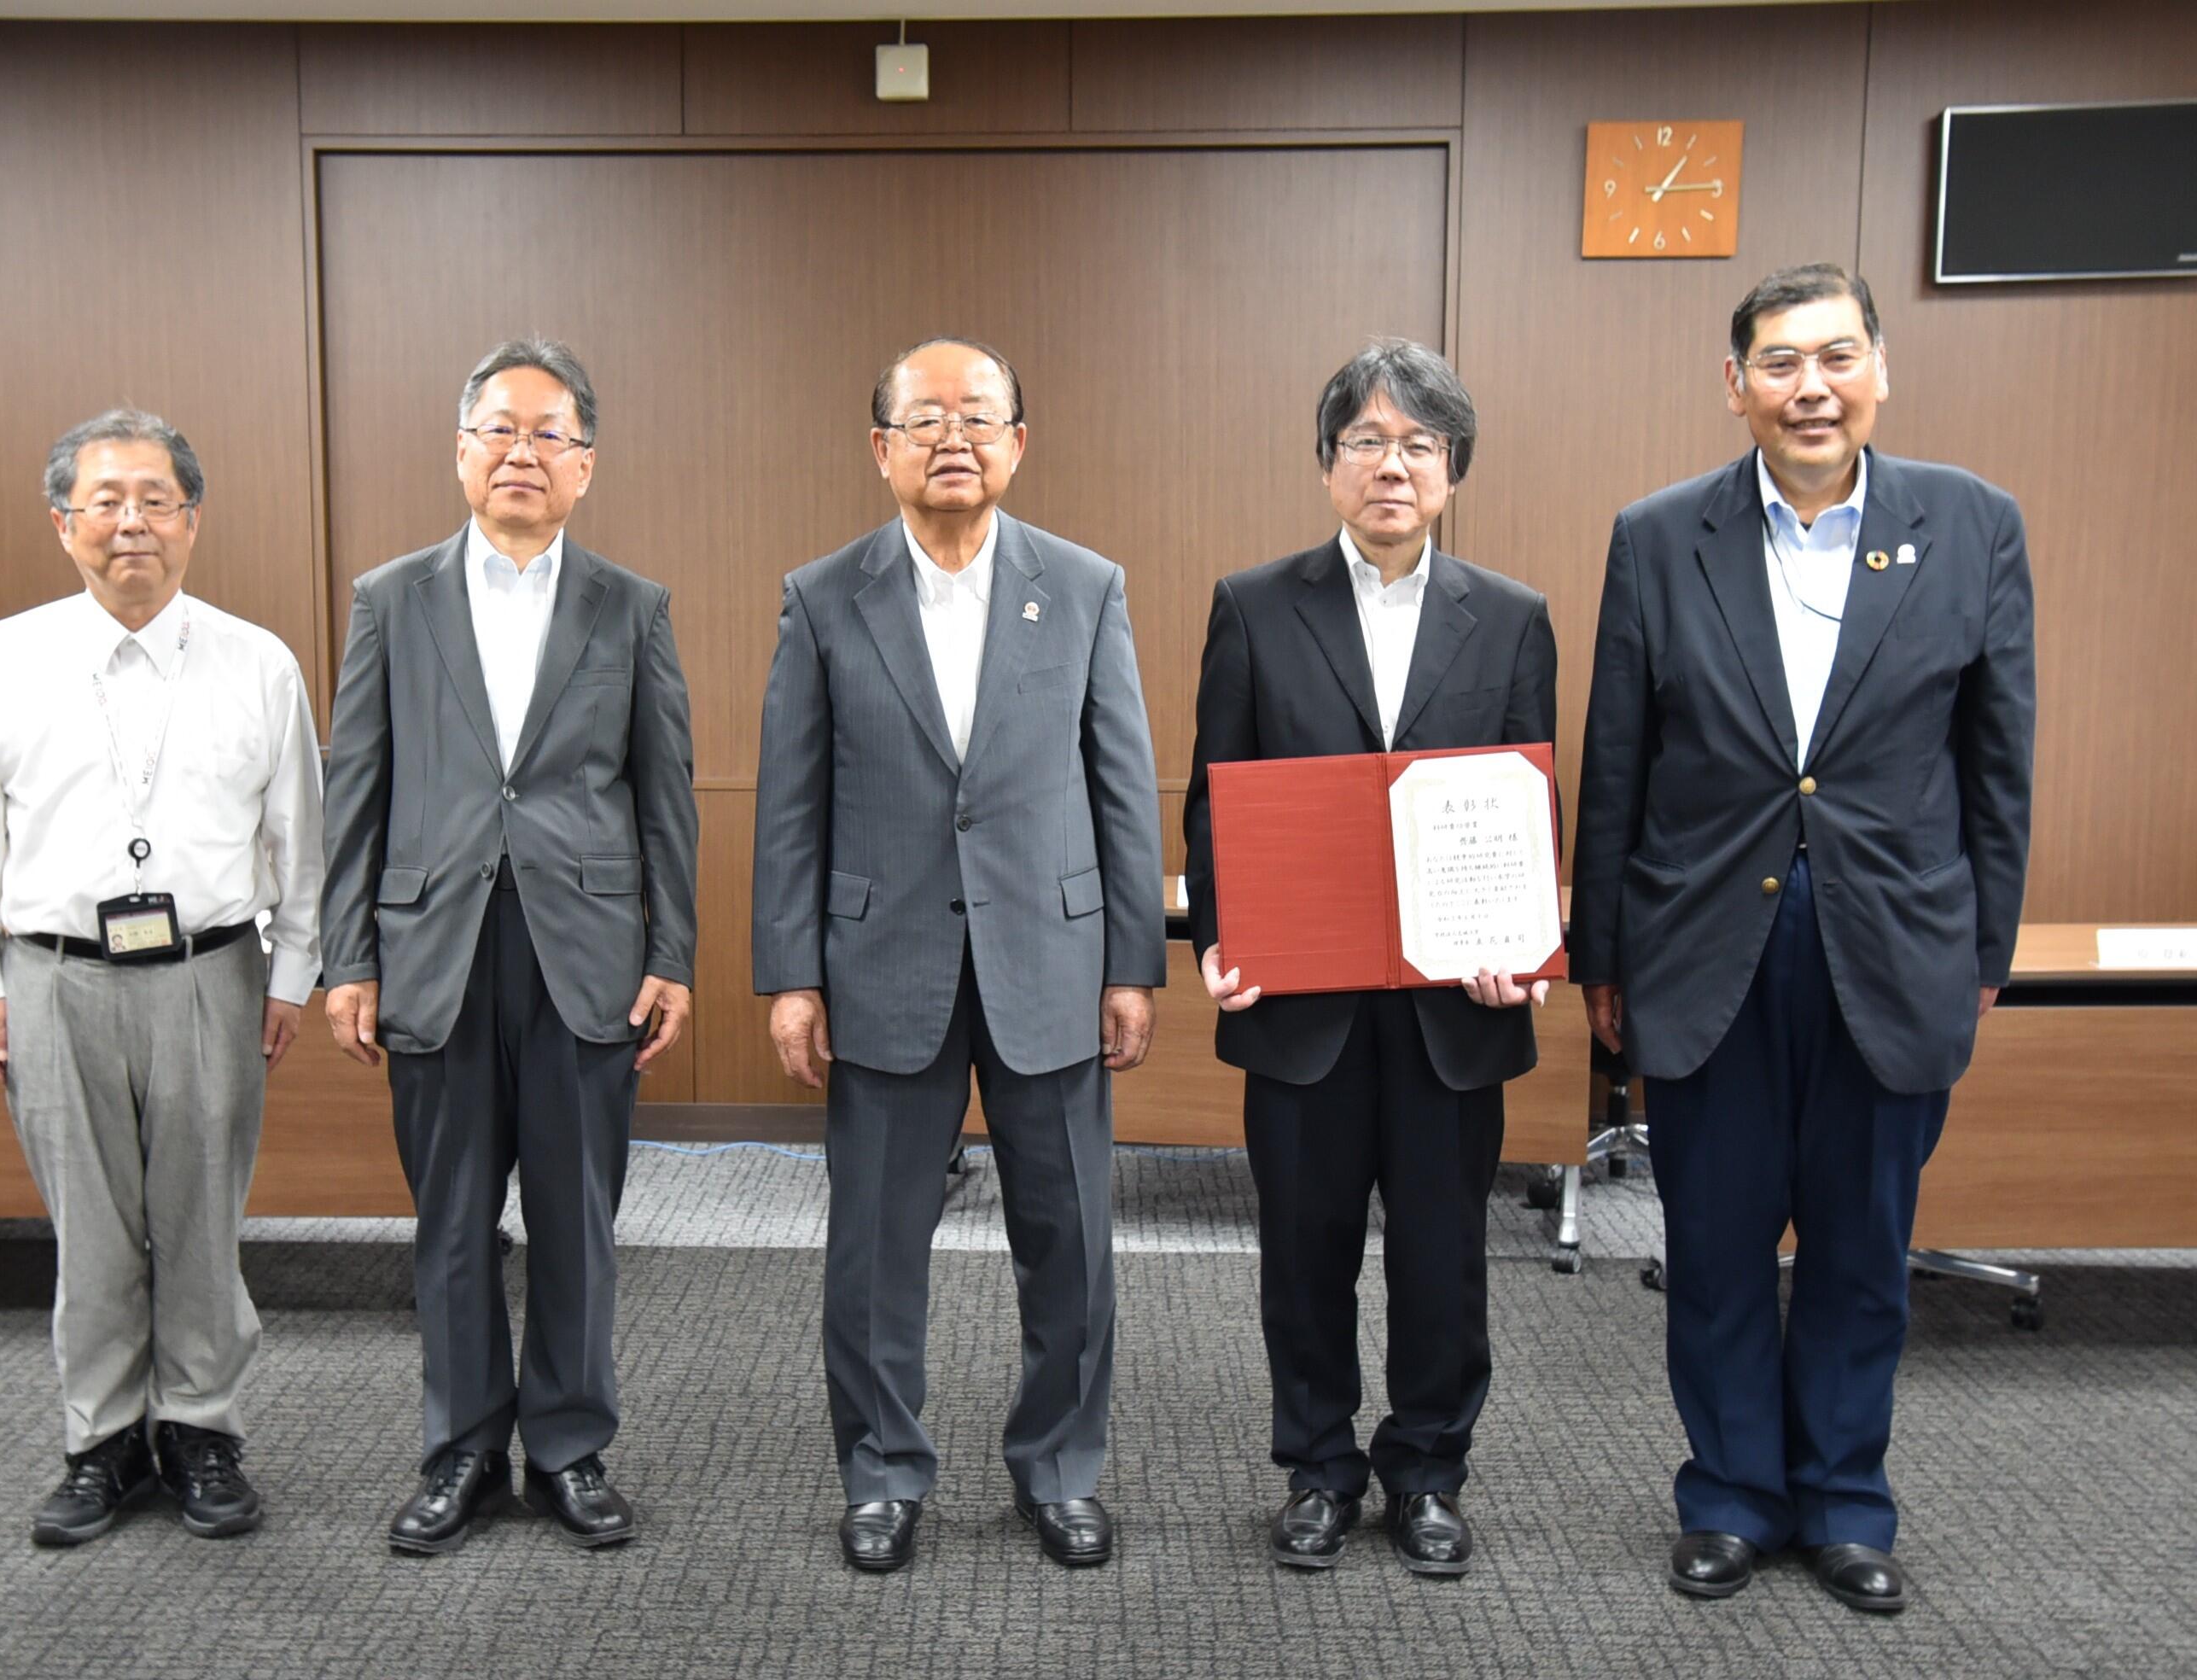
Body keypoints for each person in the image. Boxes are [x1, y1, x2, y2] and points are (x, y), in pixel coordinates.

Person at [1571, 264, 2035, 1613]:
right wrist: (1603, 954)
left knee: (1858, 1245)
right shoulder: (1660, 536)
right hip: (1707, 943)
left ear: (1881, 369)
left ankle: (1843, 1501)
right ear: (1737, 387)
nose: (1809, 387)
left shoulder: (1971, 524)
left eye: (1835, 357)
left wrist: (1983, 949)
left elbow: (1997, 760)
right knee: (1713, 1244)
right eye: (1778, 363)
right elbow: (1619, 765)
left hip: (1892, 947)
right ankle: (1727, 1495)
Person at [753, 337, 1164, 1572]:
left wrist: (1132, 962)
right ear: (879, 448)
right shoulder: (824, 597)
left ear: (1018, 444)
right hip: (883, 965)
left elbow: (1123, 786)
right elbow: (791, 801)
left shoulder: (1085, 586)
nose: (953, 438)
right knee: (875, 1248)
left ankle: (1061, 1468)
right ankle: (882, 1472)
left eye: (978, 416)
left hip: (1052, 958)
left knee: (1071, 1237)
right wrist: (791, 973)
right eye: (923, 417)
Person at [1184, 340, 1559, 1574]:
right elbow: (1214, 798)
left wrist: (1521, 946)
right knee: (1305, 1250)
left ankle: (1429, 1471)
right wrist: (1223, 939)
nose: (1392, 466)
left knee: (1446, 1255)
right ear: (1327, 462)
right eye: (1367, 442)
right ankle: (1320, 1468)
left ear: (1453, 469)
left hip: (1456, 1006)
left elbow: (1523, 804)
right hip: (1304, 1001)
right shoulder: (1254, 604)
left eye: (1419, 445)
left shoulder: (1510, 619)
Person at [320, 338, 697, 1556]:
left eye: (548, 434)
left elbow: (664, 793)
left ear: (585, 465)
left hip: (585, 952)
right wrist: (348, 956)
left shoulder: (632, 607)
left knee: (580, 1218)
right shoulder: (393, 599)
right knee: (452, 1219)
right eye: (499, 429)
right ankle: (464, 1450)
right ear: (462, 450)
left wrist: (673, 951)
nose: (521, 453)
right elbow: (356, 789)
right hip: (433, 950)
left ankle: (573, 1450)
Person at [0, 408, 323, 1547]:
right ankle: (101, 1441)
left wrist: (292, 969)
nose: (130, 523)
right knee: (93, 1228)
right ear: (64, 525)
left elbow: (302, 833)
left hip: (213, 973)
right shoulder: (3, 658)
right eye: (103, 502)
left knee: (201, 1218)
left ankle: (201, 1428)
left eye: (155, 499)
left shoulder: (258, 661)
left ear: (193, 520)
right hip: (52, 977)